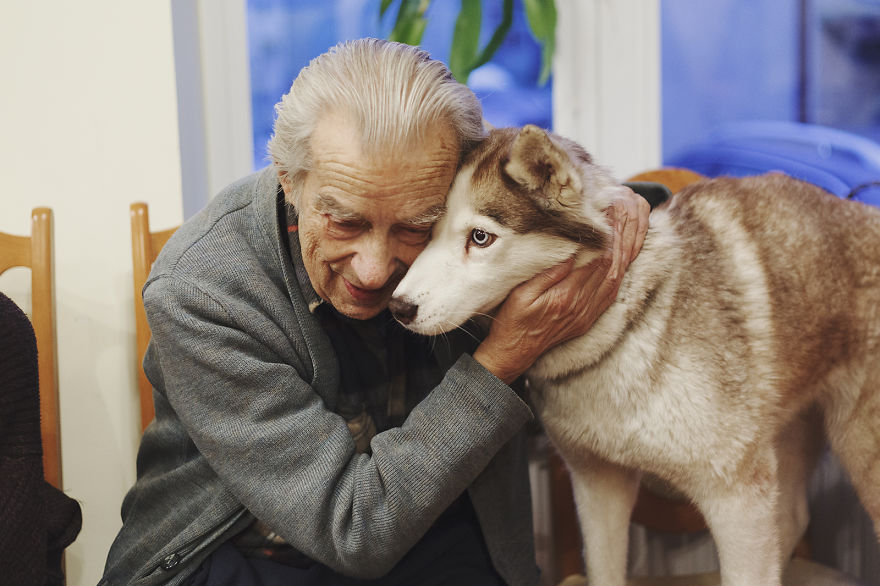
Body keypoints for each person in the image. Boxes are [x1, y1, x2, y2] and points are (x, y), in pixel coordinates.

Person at [101, 38, 650, 586]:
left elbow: (568, 207)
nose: (374, 271)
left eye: (415, 226)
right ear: (289, 180)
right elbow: (353, 529)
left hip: (431, 526)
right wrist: (503, 357)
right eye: (345, 222)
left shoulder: (466, 216)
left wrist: (615, 204)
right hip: (242, 552)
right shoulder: (202, 290)